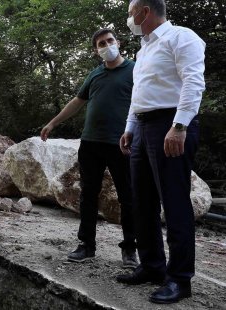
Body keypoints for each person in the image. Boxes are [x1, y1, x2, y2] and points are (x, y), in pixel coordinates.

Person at [116, 0, 205, 304]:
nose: (129, 19)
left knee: (174, 200)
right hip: (142, 127)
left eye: (131, 13)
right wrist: (129, 127)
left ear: (145, 11)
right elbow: (139, 94)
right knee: (142, 201)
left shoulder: (182, 37)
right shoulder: (143, 50)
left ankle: (180, 279)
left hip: (171, 123)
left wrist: (180, 126)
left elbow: (194, 81)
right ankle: (152, 265)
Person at [40, 28, 137, 269]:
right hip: (91, 143)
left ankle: (130, 250)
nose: (107, 45)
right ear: (96, 51)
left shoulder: (135, 70)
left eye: (110, 40)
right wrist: (53, 122)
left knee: (128, 197)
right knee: (88, 195)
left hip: (121, 144)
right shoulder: (95, 75)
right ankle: (86, 246)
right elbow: (77, 101)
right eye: (101, 43)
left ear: (119, 42)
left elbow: (146, 101)